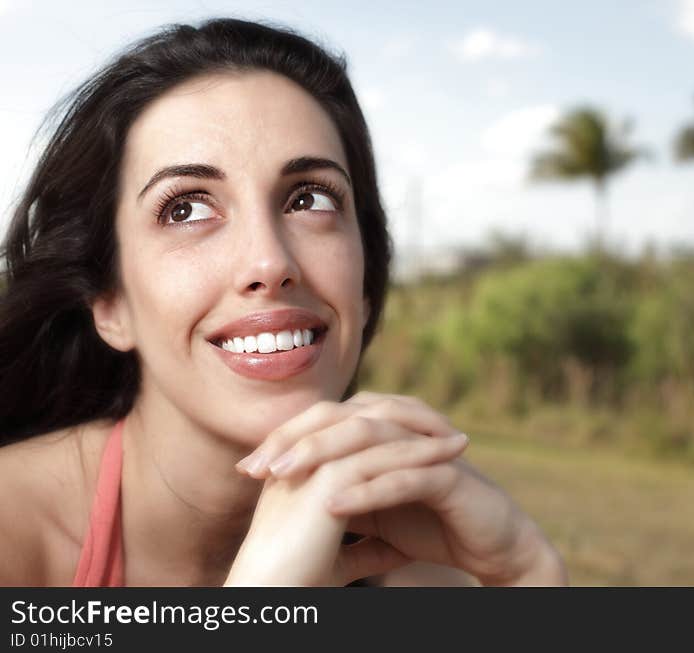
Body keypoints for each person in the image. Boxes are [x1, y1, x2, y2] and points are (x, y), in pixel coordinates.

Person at [0, 17, 568, 587]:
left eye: (310, 199)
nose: (270, 263)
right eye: (187, 209)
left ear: (365, 283)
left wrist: (528, 575)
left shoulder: (428, 574)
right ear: (110, 302)